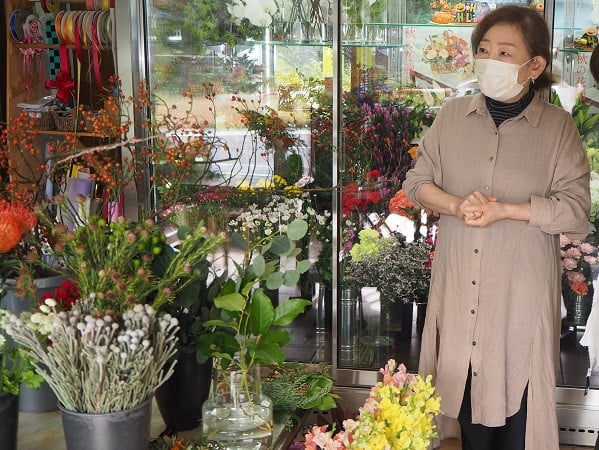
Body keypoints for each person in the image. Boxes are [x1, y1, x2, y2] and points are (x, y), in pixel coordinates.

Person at [402, 5, 591, 450]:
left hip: (518, 302)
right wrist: (455, 203)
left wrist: (508, 210)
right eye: (483, 50)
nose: (489, 61)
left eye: (505, 52)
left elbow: (576, 213)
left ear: (536, 65)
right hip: (460, 296)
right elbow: (416, 184)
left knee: (517, 419)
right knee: (466, 416)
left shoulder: (558, 129)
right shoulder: (451, 116)